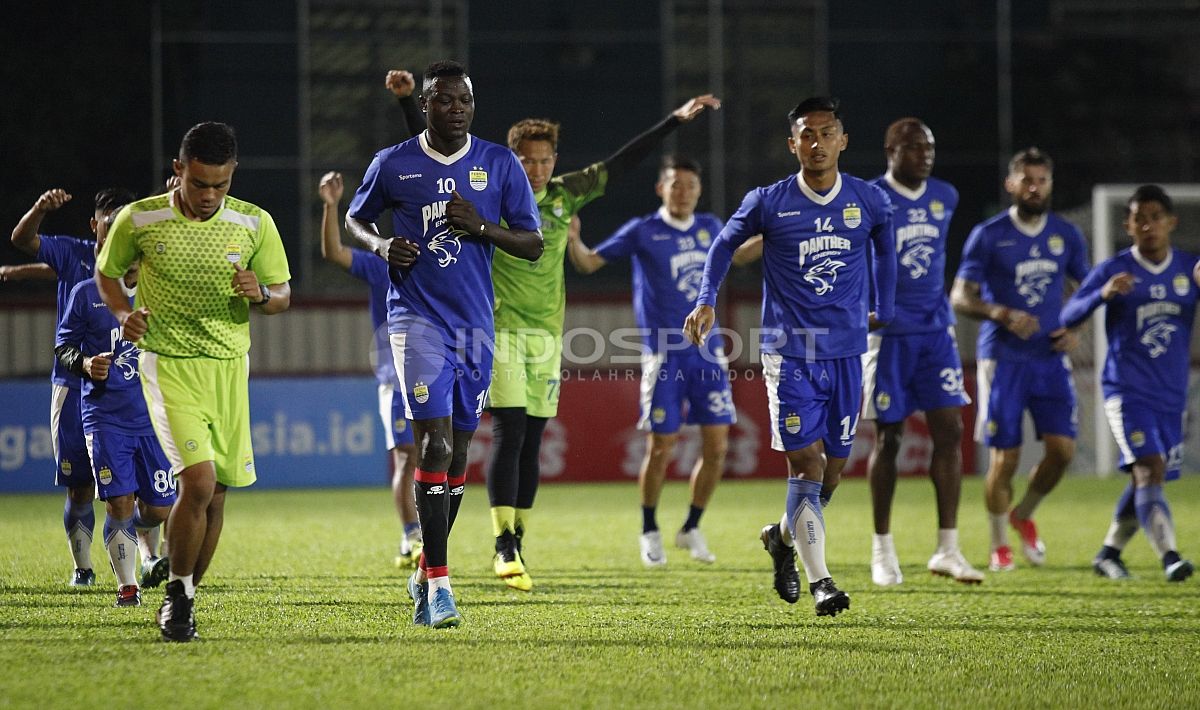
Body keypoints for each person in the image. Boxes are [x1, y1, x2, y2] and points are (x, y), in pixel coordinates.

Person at [390, 66, 721, 589]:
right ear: (512, 158)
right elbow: (426, 160)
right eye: (528, 159)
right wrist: (410, 103)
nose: (537, 168)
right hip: (494, 329)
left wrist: (674, 122)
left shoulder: (568, 194)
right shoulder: (491, 186)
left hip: (548, 335)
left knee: (533, 440)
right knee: (510, 430)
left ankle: (517, 536)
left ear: (555, 162)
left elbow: (624, 161)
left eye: (545, 159)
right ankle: (502, 544)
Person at [346, 60, 542, 628]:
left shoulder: (499, 164)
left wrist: (483, 228)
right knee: (431, 448)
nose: (456, 109)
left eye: (465, 101)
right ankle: (441, 585)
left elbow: (532, 244)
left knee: (456, 458)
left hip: (476, 327)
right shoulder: (395, 163)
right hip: (415, 321)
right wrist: (382, 248)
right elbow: (355, 221)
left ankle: (423, 573)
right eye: (444, 100)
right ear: (426, 104)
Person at [685, 96, 896, 617]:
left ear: (843, 141)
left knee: (833, 473)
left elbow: (886, 247)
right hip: (789, 354)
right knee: (806, 463)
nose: (817, 142)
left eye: (827, 133)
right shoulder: (769, 201)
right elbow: (720, 247)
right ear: (792, 144)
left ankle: (781, 538)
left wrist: (882, 306)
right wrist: (706, 300)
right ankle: (822, 580)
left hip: (848, 354)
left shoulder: (868, 201)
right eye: (807, 134)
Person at [96, 121, 293, 642]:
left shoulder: (254, 223)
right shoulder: (141, 218)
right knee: (199, 483)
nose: (209, 195)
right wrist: (122, 313)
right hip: (168, 362)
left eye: (221, 185)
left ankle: (183, 596)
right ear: (178, 170)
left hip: (230, 365)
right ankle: (179, 598)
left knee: (218, 495)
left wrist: (259, 295)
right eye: (199, 183)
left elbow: (281, 296)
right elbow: (107, 272)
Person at [569, 155, 733, 568]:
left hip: (710, 355)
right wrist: (573, 239)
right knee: (662, 447)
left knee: (717, 447)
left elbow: (740, 255)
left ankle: (691, 526)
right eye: (675, 185)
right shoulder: (644, 231)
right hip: (664, 356)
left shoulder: (711, 227)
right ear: (661, 189)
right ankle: (649, 530)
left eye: (691, 186)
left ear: (699, 190)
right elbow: (590, 263)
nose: (684, 193)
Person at [950, 147, 1088, 572]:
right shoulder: (989, 235)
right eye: (1026, 180)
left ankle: (1023, 514)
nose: (1034, 187)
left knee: (1063, 452)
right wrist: (1000, 313)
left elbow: (1087, 288)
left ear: (1049, 184)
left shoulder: (1066, 235)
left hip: (1048, 359)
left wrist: (1076, 329)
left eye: (1041, 180)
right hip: (1003, 360)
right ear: (1011, 184)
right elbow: (959, 296)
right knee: (1004, 459)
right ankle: (998, 545)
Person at [861, 119, 982, 586]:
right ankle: (882, 550)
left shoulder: (945, 196)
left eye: (929, 147)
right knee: (889, 438)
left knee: (950, 430)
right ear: (890, 148)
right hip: (887, 335)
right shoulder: (868, 196)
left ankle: (948, 549)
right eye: (913, 147)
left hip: (936, 332)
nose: (924, 154)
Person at [1060, 185, 1195, 583]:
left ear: (1171, 222)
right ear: (1128, 225)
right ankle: (1170, 556)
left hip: (1172, 395)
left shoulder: (1190, 268)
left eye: (1155, 217)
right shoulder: (1115, 270)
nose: (1147, 224)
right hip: (1127, 390)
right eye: (1139, 217)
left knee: (1146, 476)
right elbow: (1068, 314)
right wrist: (1102, 294)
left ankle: (1108, 553)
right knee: (1150, 466)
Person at [10, 187, 135, 587]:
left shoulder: (141, 261)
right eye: (107, 220)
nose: (113, 227)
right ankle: (83, 569)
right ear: (94, 224)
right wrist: (39, 207)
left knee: (138, 487)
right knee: (80, 485)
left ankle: (146, 560)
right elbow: (22, 240)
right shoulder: (73, 253)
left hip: (126, 388)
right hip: (72, 382)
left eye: (122, 220)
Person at [55, 248, 177, 608]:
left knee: (159, 510)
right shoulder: (86, 293)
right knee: (118, 502)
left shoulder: (163, 290)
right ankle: (127, 586)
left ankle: (134, 531)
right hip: (104, 417)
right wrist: (85, 362)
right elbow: (63, 346)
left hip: (154, 416)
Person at [318, 170, 422, 568]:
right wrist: (331, 207)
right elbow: (333, 253)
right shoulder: (382, 264)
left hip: (437, 372)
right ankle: (411, 535)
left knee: (436, 455)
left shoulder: (439, 259)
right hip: (395, 376)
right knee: (406, 457)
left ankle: (428, 535)